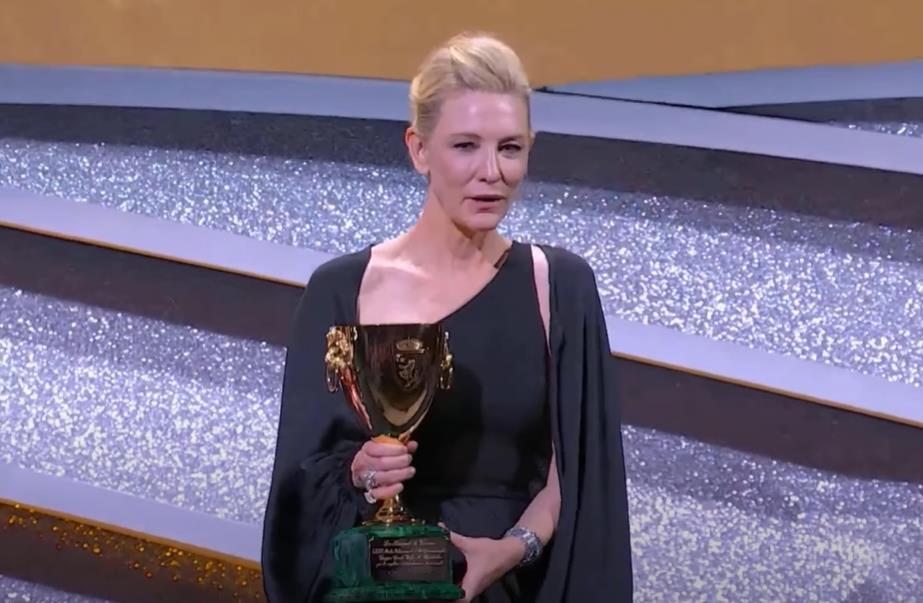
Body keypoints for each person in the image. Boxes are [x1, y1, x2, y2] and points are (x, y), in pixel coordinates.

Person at [261, 31, 633, 603]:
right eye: (465, 146)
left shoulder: (559, 286)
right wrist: (360, 473)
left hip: (512, 588)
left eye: (510, 148)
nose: (492, 171)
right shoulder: (340, 290)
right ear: (418, 150)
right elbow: (299, 485)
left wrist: (512, 549)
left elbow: (581, 474)